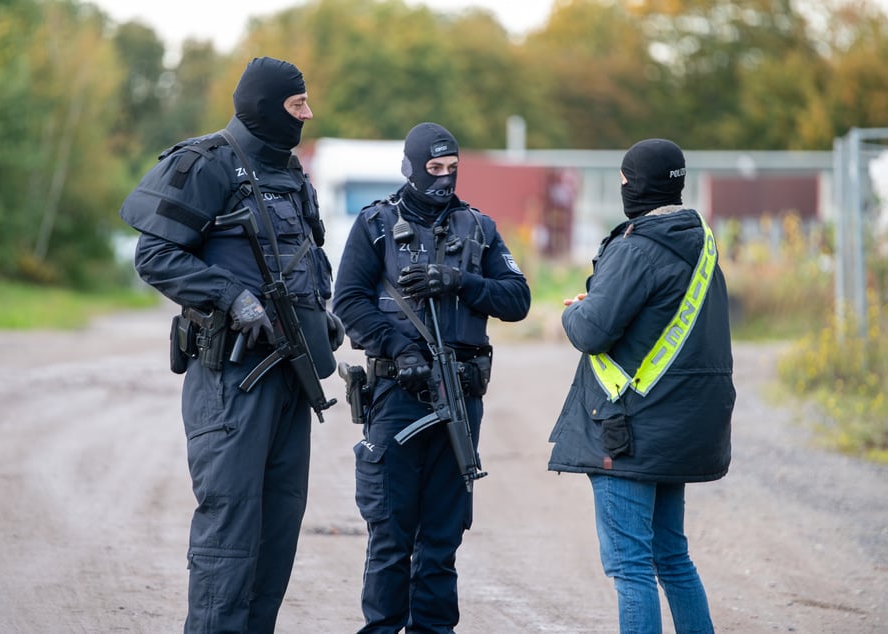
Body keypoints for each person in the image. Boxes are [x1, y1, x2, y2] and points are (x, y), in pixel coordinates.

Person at [119, 56, 343, 633]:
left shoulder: (294, 176)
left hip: (292, 378)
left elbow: (308, 259)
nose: (308, 114)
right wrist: (230, 296)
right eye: (298, 105)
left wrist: (323, 316)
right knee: (231, 532)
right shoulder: (207, 162)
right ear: (269, 107)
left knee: (277, 532)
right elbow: (155, 255)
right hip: (231, 381)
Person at [332, 122, 531, 633]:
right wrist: (399, 349)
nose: (443, 180)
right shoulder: (376, 225)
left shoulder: (479, 228)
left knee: (441, 540)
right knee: (392, 537)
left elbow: (517, 299)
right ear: (411, 169)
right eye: (433, 170)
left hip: (460, 396)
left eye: (451, 170)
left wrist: (460, 281)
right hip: (398, 395)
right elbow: (348, 301)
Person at [548, 138, 735, 634]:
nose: (623, 188)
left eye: (626, 180)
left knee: (631, 568)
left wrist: (575, 311)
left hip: (628, 433)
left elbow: (591, 331)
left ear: (637, 185)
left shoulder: (637, 247)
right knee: (672, 558)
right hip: (679, 427)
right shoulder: (700, 242)